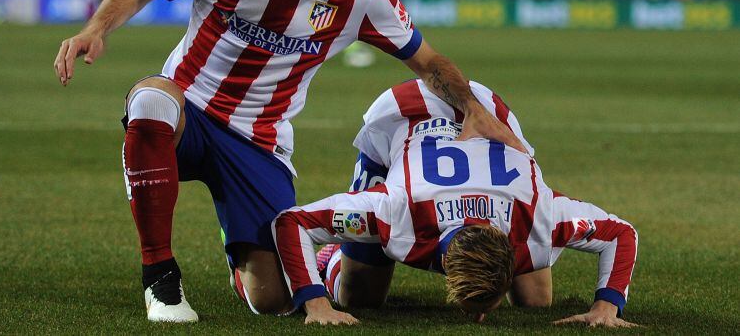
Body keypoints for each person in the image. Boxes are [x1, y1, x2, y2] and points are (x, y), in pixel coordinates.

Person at [53, 0, 526, 323]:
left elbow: (426, 59)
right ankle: (159, 275)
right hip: (188, 109)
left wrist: (469, 105)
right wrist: (95, 29)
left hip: (259, 141)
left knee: (273, 301)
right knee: (152, 102)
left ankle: (238, 253)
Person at [272, 79, 639, 327]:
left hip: (487, 110)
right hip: (401, 112)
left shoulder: (539, 215)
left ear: (513, 255)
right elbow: (292, 222)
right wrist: (315, 301)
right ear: (442, 261)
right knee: (359, 298)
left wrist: (606, 307)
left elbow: (621, 233)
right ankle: (331, 257)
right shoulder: (396, 212)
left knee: (536, 302)